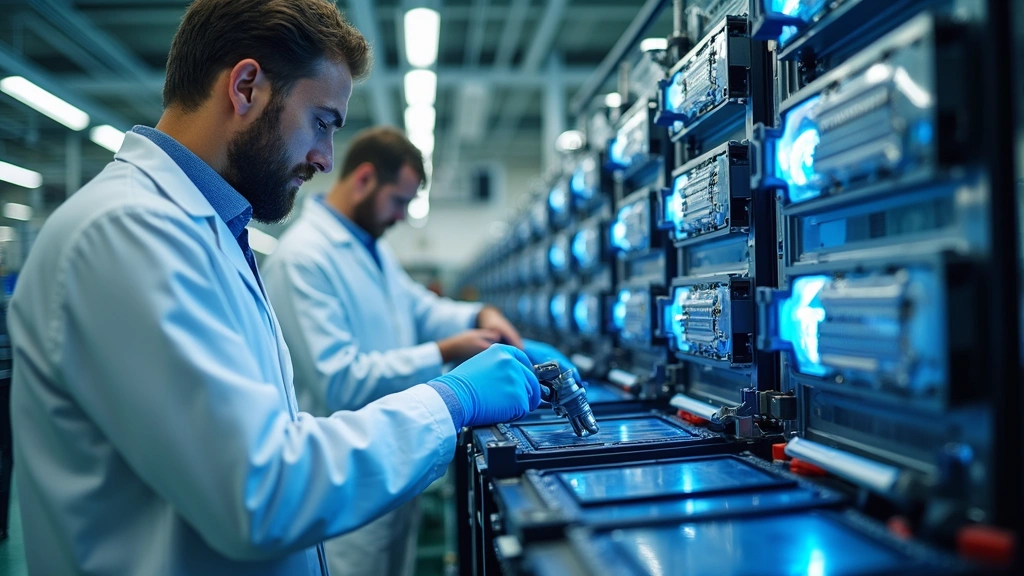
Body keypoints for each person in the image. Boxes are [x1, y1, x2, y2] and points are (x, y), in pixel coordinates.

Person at [7, 1, 540, 575]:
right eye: (322, 122)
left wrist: (468, 336)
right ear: (245, 88)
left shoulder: (203, 229)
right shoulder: (125, 233)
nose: (323, 157)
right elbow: (259, 492)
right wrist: (451, 400)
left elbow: (263, 443)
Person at [262, 126, 578, 576]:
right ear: (365, 178)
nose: (401, 216)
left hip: (394, 464)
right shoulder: (303, 258)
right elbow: (340, 380)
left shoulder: (370, 249)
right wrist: (449, 354)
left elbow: (421, 308)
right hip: (346, 483)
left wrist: (479, 317)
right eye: (399, 202)